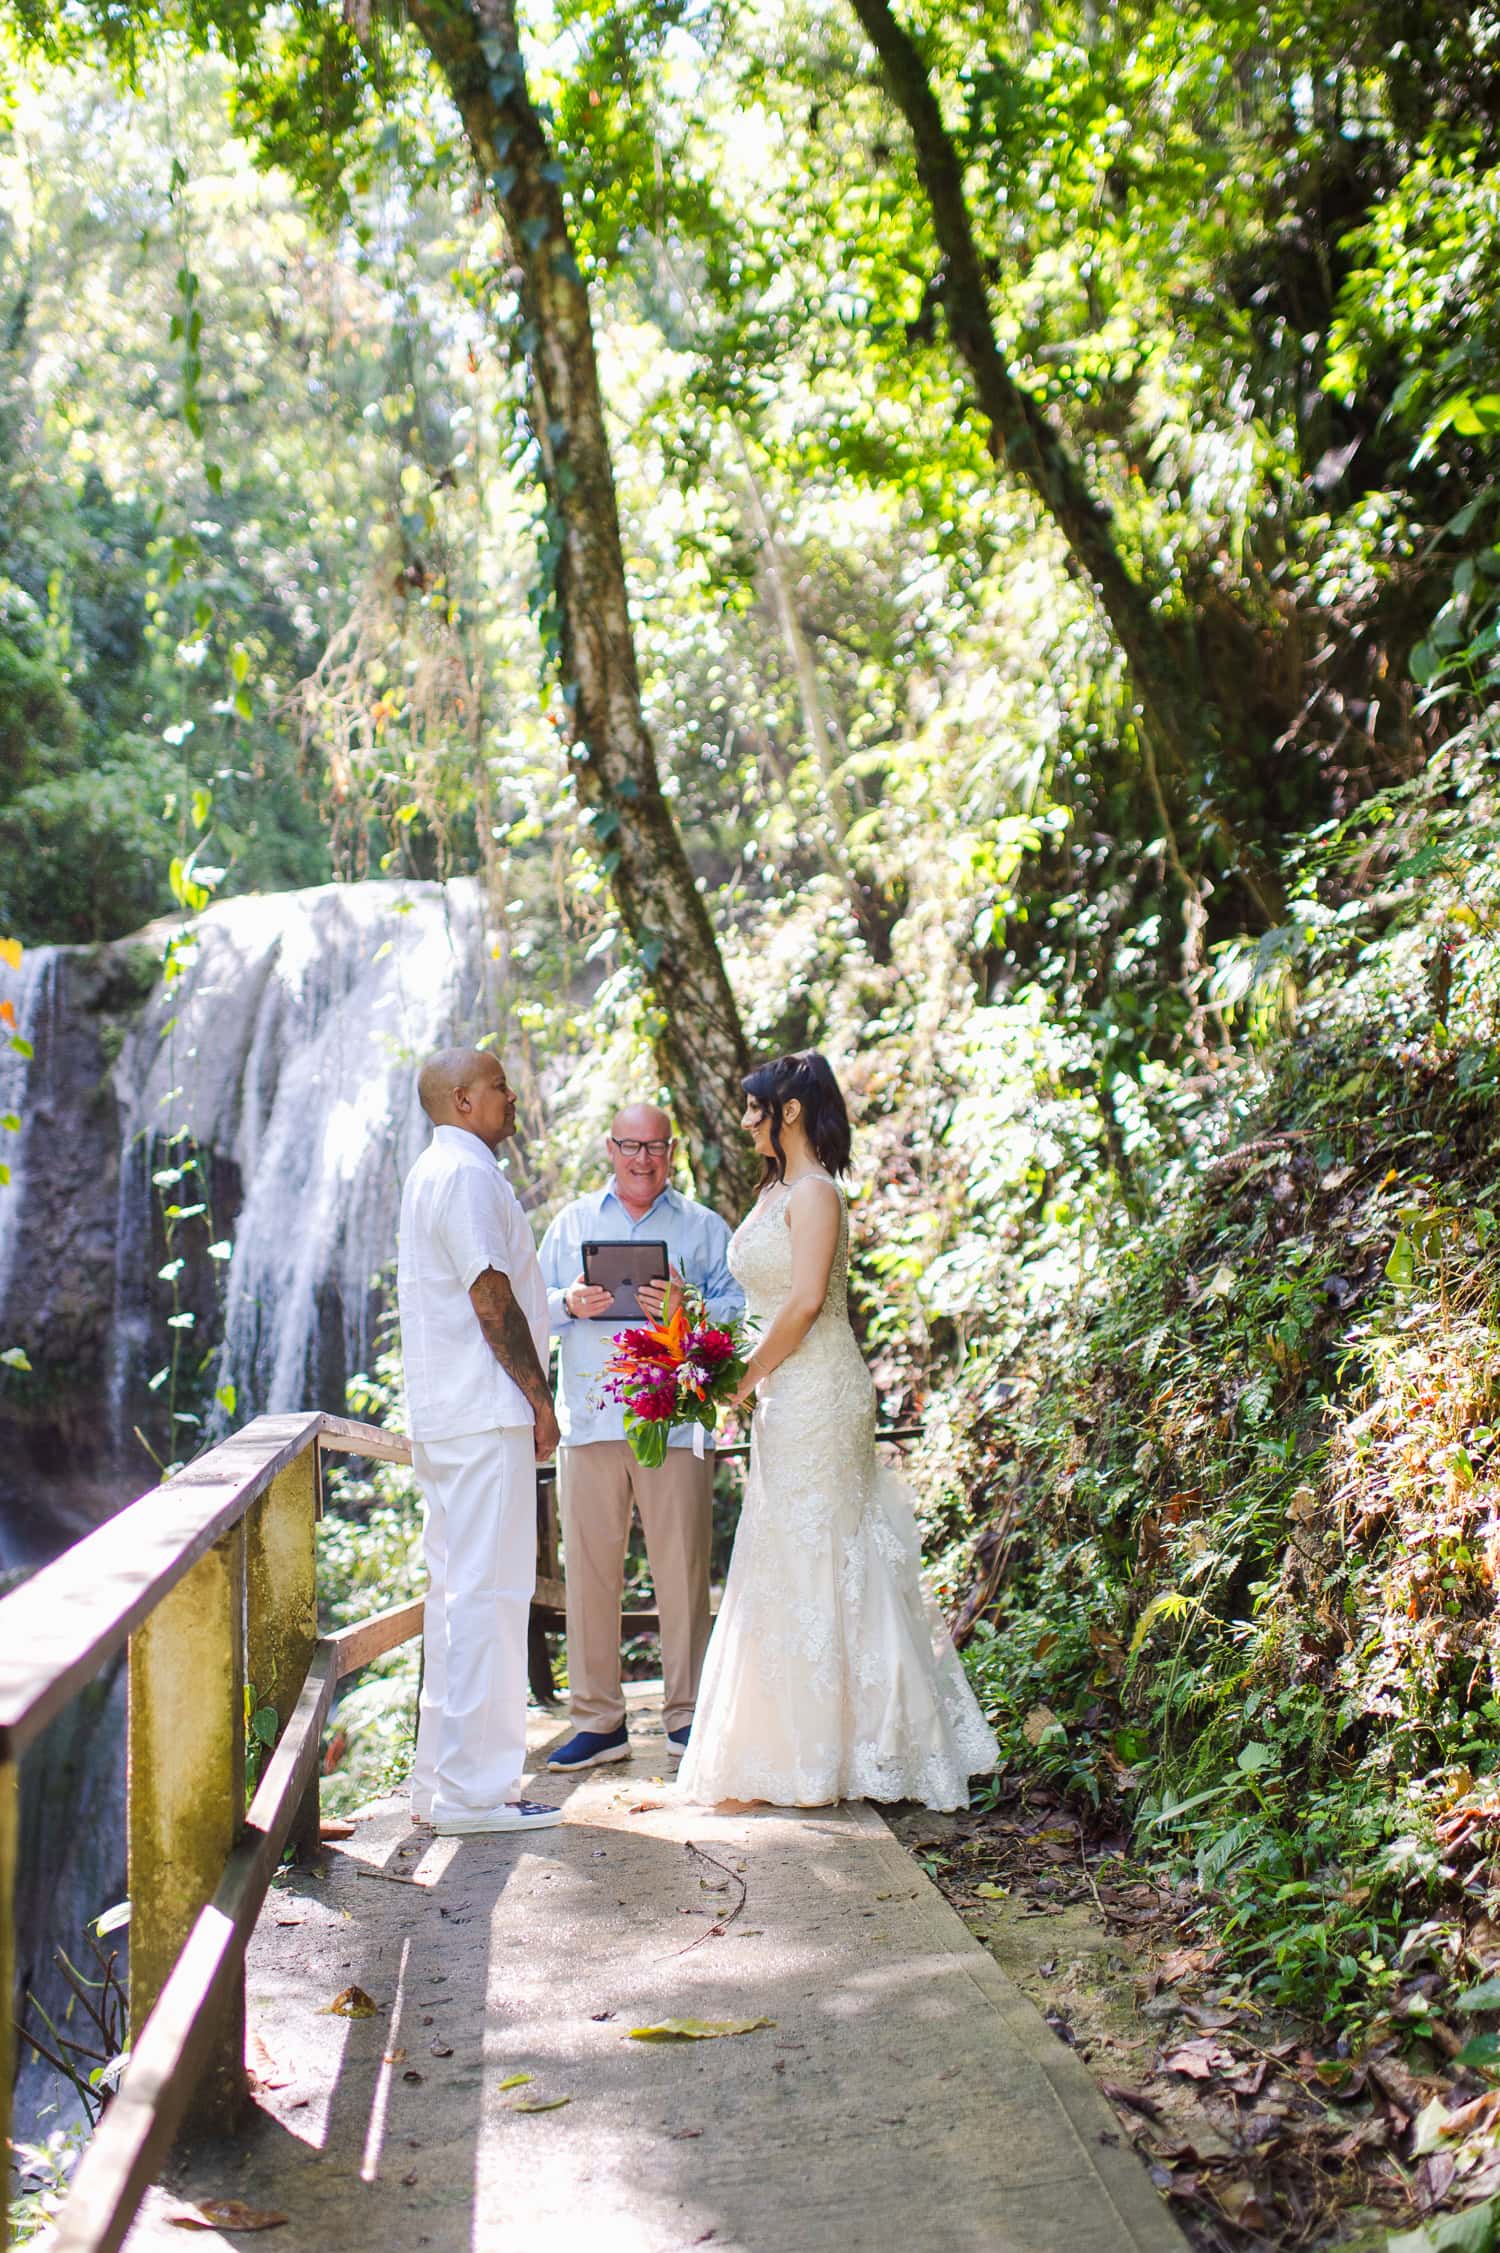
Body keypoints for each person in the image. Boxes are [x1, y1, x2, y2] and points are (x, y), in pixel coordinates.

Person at [676, 1051, 998, 1811]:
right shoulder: (774, 1191)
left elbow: (805, 1301)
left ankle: (870, 1746)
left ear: (788, 1111)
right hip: (784, 1391)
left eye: (756, 1106)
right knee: (783, 1546)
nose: (746, 1117)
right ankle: (791, 1745)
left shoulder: (816, 1191)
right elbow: (764, 1299)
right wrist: (724, 1362)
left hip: (820, 1387)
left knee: (834, 1547)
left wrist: (738, 1380)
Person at [538, 1102, 744, 1771]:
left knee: (681, 1572)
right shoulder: (571, 1223)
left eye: (655, 1145)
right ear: (609, 1146)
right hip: (591, 1421)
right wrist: (567, 1304)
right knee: (590, 1576)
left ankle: (686, 1716)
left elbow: (741, 1316)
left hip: (673, 1420)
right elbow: (525, 1309)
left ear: (673, 1149)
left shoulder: (704, 1227)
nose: (642, 1157)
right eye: (630, 1144)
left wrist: (690, 1307)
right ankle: (598, 1720)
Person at [396, 1046, 562, 1837]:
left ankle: (441, 1783)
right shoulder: (463, 1176)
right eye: (499, 1084)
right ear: (462, 1099)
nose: (511, 1095)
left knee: (458, 1596)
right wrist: (540, 1398)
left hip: (452, 1413)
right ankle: (477, 1791)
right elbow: (491, 1298)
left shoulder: (440, 1169)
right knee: (490, 1598)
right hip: (482, 1410)